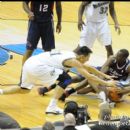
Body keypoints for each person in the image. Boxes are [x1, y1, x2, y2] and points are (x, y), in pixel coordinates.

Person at [0, 46, 117, 114]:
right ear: (82, 57)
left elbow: (88, 67)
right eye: (86, 58)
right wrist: (107, 83)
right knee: (66, 79)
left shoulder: (70, 54)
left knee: (23, 89)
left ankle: (1, 91)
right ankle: (52, 106)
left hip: (29, 63)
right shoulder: (73, 60)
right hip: (38, 67)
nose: (86, 61)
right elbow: (89, 76)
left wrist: (105, 75)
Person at [59, 49, 130, 102]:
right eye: (117, 55)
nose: (116, 56)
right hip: (101, 73)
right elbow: (103, 69)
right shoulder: (112, 59)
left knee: (81, 91)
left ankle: (71, 91)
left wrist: (124, 90)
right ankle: (62, 84)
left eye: (119, 56)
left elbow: (127, 82)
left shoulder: (128, 66)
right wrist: (101, 82)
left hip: (111, 80)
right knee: (80, 78)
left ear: (124, 58)